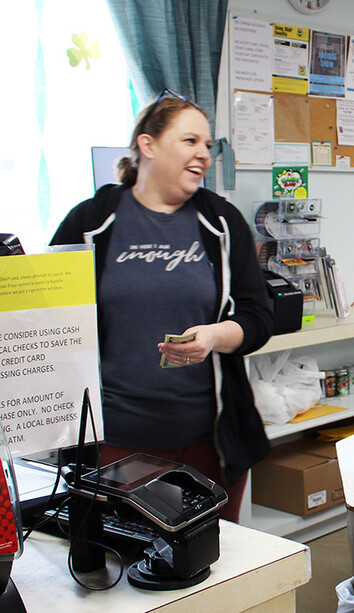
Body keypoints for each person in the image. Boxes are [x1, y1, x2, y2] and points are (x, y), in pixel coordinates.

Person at [51, 90, 274, 523]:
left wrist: (215, 335)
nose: (204, 154)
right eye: (190, 141)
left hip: (211, 439)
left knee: (211, 566)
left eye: (208, 145)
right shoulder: (91, 222)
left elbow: (258, 317)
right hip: (115, 439)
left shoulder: (222, 223)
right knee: (124, 566)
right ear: (147, 145)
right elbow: (50, 316)